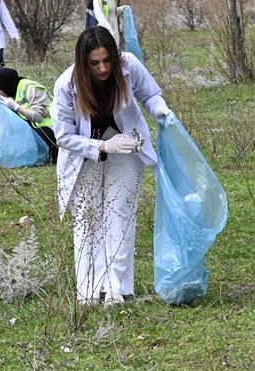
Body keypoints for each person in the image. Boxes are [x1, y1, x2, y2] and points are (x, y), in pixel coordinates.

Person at [52, 26, 176, 304]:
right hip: (84, 153)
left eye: (107, 60)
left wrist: (160, 109)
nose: (103, 68)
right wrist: (103, 146)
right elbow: (62, 136)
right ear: (83, 63)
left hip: (127, 145)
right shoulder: (65, 84)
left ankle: (118, 289)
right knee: (88, 217)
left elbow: (150, 93)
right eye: (94, 63)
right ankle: (88, 291)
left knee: (121, 213)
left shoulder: (128, 64)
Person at [0, 66, 57, 162]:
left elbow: (38, 117)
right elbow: (15, 127)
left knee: (22, 142)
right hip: (36, 128)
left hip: (53, 128)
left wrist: (16, 107)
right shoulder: (13, 93)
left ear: (5, 86)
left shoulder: (32, 88)